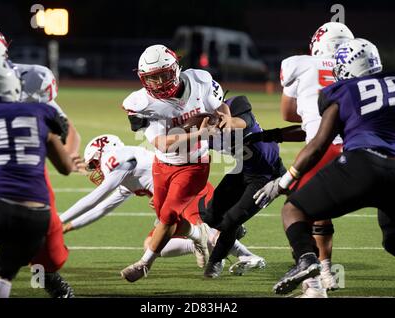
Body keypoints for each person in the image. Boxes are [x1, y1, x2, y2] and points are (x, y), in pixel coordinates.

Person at [254, 38, 395, 295]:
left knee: (294, 209)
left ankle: (307, 260)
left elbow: (318, 145)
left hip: (364, 163)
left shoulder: (343, 90)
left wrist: (283, 182)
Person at [0, 23, 82, 297]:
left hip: (20, 170)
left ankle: (44, 275)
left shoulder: (26, 80)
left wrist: (67, 152)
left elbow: (66, 129)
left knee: (51, 255)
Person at [250, 22, 354, 297]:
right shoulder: (357, 69)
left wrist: (312, 110)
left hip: (323, 149)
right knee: (323, 211)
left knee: (296, 211)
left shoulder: (300, 64)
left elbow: (289, 114)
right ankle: (327, 271)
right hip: (360, 150)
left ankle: (314, 284)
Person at [60, 134, 265, 273]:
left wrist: (57, 220)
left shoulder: (117, 158)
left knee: (208, 234)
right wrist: (69, 227)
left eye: (95, 163)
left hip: (190, 190)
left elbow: (96, 197)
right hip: (174, 204)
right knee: (153, 245)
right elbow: (103, 207)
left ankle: (248, 256)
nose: (96, 169)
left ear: (104, 152)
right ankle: (201, 242)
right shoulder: (127, 173)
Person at [120, 44, 234, 282]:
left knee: (168, 216)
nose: (159, 83)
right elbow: (162, 143)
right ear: (143, 79)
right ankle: (199, 235)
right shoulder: (141, 103)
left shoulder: (200, 80)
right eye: (152, 78)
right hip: (162, 164)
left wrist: (225, 116)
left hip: (195, 163)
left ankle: (144, 263)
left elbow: (220, 106)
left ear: (176, 69)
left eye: (164, 75)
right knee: (169, 218)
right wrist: (200, 134)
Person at [198, 95, 285, 278]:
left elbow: (243, 121)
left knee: (230, 220)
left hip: (267, 176)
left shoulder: (236, 104)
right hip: (243, 170)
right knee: (210, 215)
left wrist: (227, 122)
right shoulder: (202, 127)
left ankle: (215, 261)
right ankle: (236, 231)